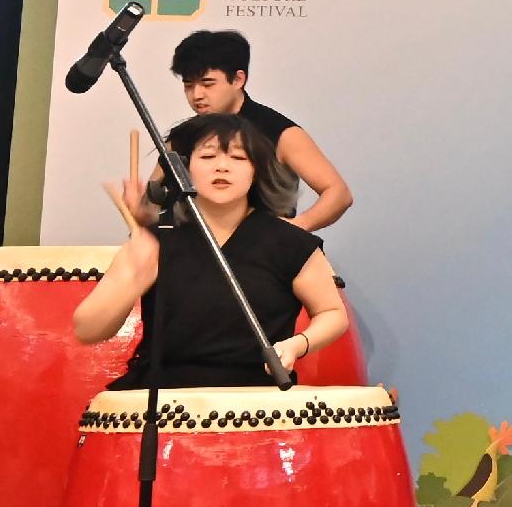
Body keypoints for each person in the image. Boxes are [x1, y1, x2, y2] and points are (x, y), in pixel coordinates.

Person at [68, 110, 351, 387]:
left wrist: (297, 345)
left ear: (257, 170)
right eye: (207, 156)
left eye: (238, 157)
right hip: (164, 397)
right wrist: (132, 283)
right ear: (185, 169)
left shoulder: (290, 242)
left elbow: (332, 313)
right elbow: (87, 329)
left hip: (257, 401)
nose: (222, 166)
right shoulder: (156, 240)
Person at [170, 28, 350, 232]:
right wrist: (140, 210)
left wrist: (296, 228)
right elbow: (153, 202)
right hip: (197, 251)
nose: (197, 95)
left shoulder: (280, 132)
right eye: (188, 85)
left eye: (207, 84)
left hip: (264, 255)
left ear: (238, 79)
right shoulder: (183, 135)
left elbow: (338, 193)